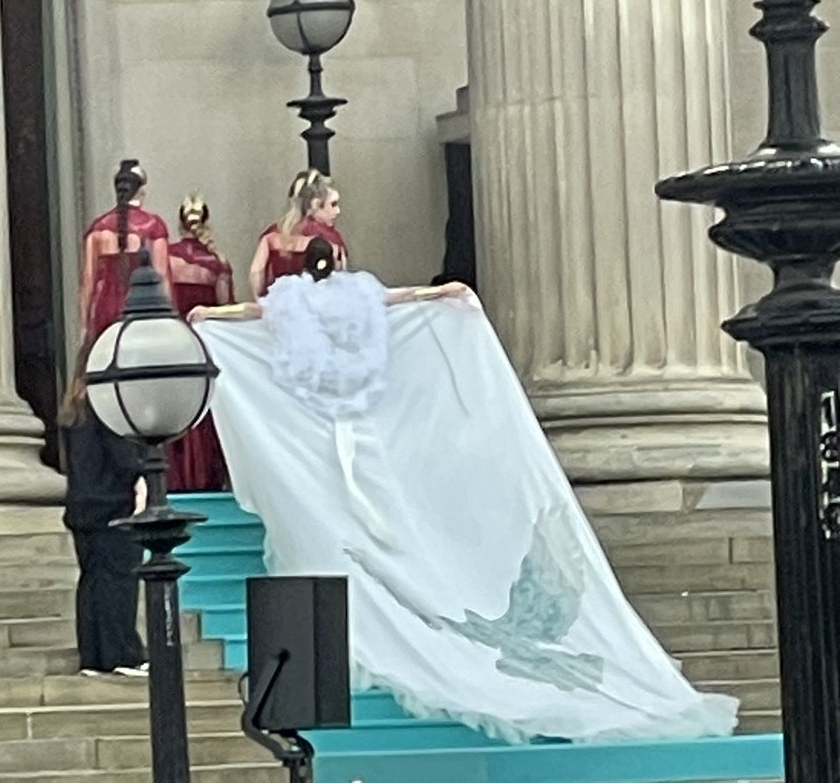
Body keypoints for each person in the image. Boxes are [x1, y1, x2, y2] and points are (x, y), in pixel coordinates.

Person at [192, 241, 739, 745]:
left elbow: (250, 315)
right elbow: (404, 300)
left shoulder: (292, 303)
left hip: (325, 432)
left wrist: (205, 317)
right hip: (353, 429)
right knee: (372, 518)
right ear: (334, 259)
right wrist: (447, 293)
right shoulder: (356, 295)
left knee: (354, 522)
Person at [59, 350, 148, 678]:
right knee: (119, 582)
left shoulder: (75, 409)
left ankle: (93, 657)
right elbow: (124, 460)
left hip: (82, 507)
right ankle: (122, 654)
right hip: (112, 506)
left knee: (92, 582)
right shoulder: (106, 408)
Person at [166, 195, 233, 492]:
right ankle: (207, 475)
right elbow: (225, 307)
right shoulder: (217, 263)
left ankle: (177, 476)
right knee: (206, 409)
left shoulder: (166, 257)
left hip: (172, 340)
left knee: (173, 405)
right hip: (204, 344)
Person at [80, 159, 171, 344]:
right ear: (141, 191)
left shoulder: (97, 229)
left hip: (104, 312)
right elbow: (163, 277)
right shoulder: (153, 227)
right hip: (142, 310)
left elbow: (88, 282)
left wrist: (84, 325)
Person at [247, 169, 348, 298]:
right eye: (333, 204)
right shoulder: (331, 239)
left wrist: (263, 301)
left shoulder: (272, 236)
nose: (337, 211)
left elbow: (256, 272)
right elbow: (339, 281)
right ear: (315, 205)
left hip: (280, 307)